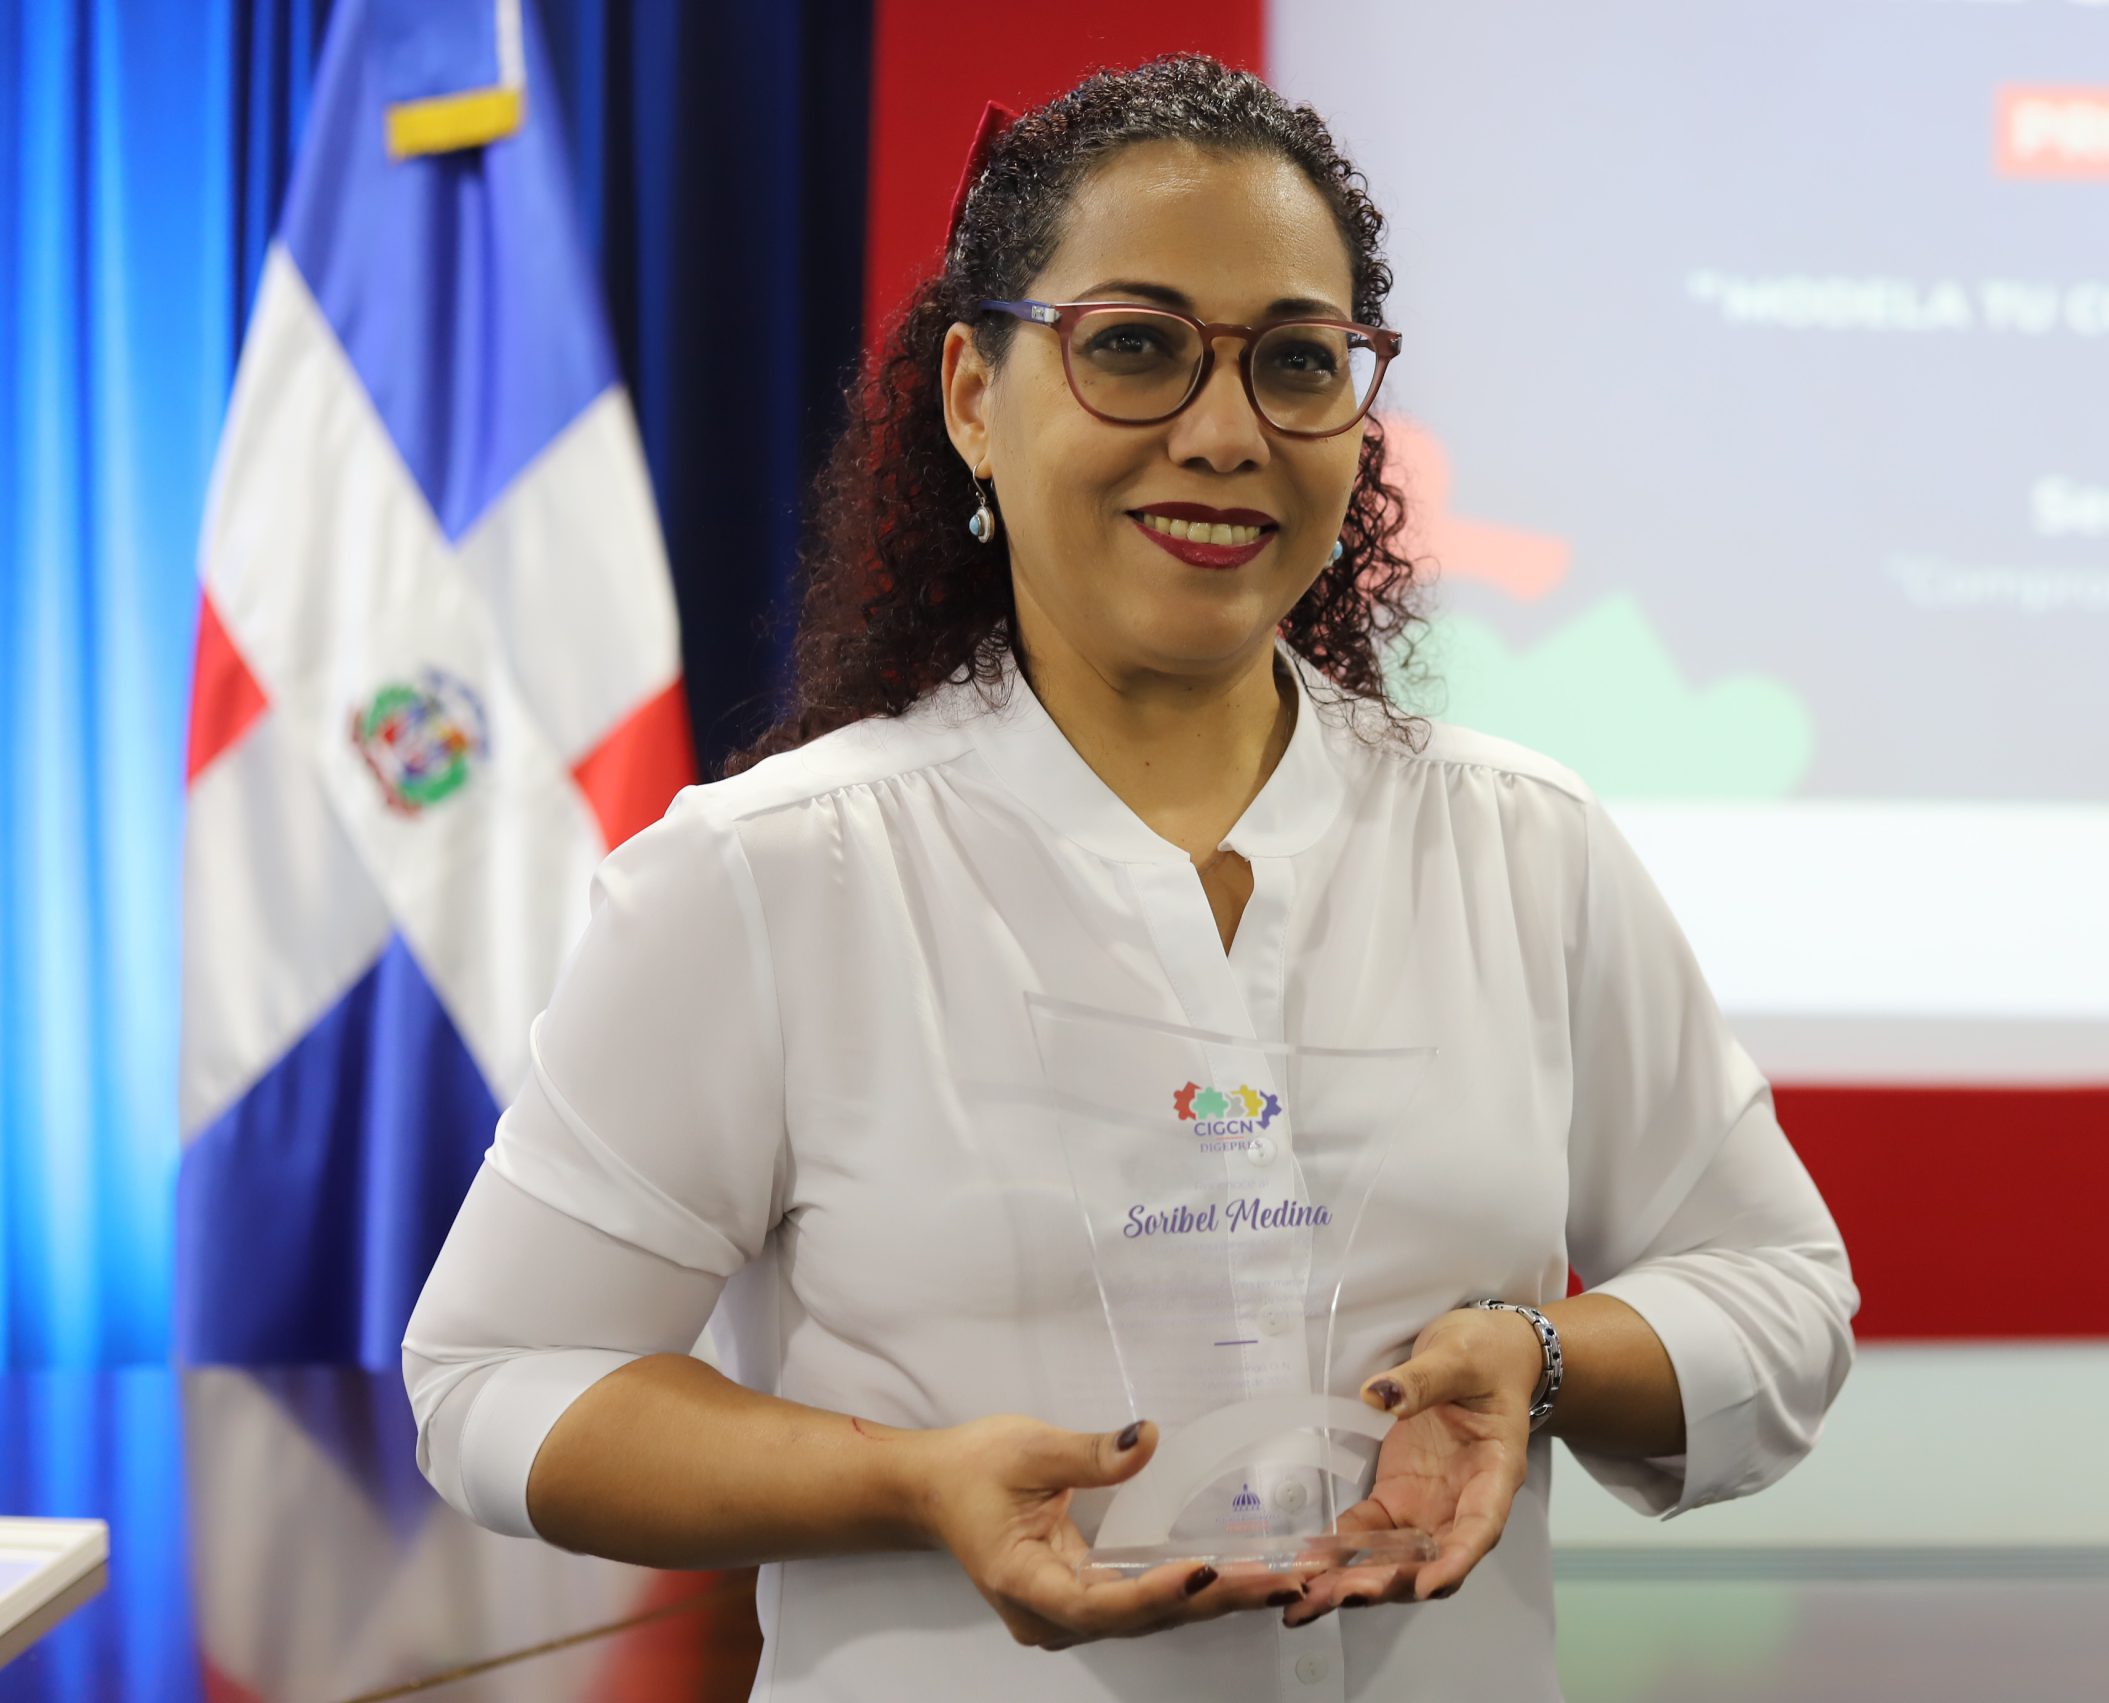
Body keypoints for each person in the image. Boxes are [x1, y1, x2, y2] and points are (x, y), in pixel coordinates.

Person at [402, 53, 1857, 1703]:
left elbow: (1782, 1297)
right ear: (974, 395)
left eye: (1296, 362)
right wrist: (908, 1482)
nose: (1225, 434)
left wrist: (1537, 1359)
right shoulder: (767, 875)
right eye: (1137, 347)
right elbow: (496, 1378)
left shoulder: (1523, 843)